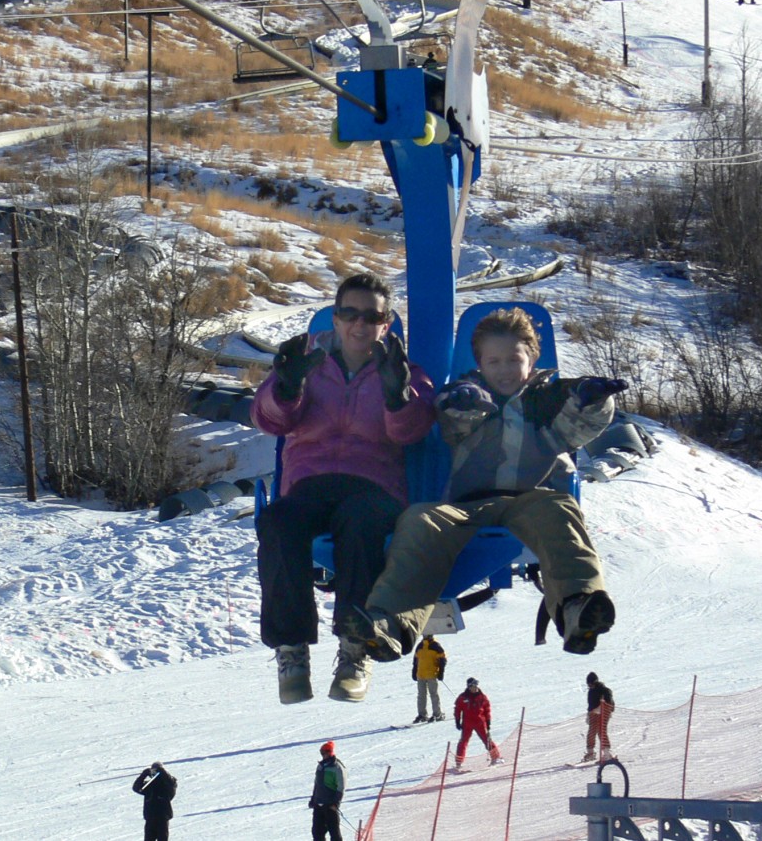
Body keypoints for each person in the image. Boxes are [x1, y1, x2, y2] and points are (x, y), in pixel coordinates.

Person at [344, 306, 626, 659]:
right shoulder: (469, 393)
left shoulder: (548, 400)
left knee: (560, 512)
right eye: (494, 362)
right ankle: (391, 622)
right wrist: (465, 404)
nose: (504, 370)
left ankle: (578, 607)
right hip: (467, 504)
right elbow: (451, 420)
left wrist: (594, 403)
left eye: (513, 360)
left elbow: (573, 431)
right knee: (421, 520)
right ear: (480, 363)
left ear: (532, 358)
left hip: (529, 497)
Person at [251, 273, 436, 705]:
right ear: (335, 319)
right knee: (279, 521)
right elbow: (267, 419)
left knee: (362, 521)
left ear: (385, 324)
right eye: (350, 313)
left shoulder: (404, 371)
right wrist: (286, 388)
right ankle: (291, 649)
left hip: (371, 484)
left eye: (371, 316)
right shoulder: (309, 363)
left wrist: (398, 397)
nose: (359, 325)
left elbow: (414, 431)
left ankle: (356, 650)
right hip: (311, 482)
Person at [453, 677, 500, 770]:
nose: (474, 688)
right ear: (468, 687)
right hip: (467, 723)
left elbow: (487, 709)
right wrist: (457, 720)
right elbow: (457, 709)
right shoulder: (463, 697)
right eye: (472, 686)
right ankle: (458, 762)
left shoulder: (482, 697)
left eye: (475, 686)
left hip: (480, 723)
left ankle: (496, 758)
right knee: (463, 742)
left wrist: (488, 721)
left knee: (487, 740)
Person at [309, 741, 346, 841]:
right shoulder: (320, 766)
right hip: (318, 804)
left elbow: (340, 787)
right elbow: (317, 784)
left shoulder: (337, 767)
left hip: (330, 805)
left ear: (330, 752)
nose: (323, 755)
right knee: (317, 832)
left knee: (334, 833)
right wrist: (313, 799)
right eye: (321, 753)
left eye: (324, 753)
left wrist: (336, 803)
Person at [132, 761, 177, 841]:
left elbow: (172, 784)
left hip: (162, 817)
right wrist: (143, 775)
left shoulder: (167, 784)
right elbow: (136, 788)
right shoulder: (149, 785)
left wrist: (162, 772)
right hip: (150, 817)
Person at [412, 634, 447, 722]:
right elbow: (416, 660)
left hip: (431, 674)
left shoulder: (436, 646)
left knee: (433, 694)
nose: (426, 636)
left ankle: (437, 714)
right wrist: (414, 671)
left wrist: (441, 672)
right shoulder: (420, 645)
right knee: (421, 695)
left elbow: (443, 660)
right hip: (421, 674)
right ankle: (422, 715)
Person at [584, 672, 614, 763]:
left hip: (603, 713)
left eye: (591, 684)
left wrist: (602, 709)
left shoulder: (605, 690)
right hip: (593, 713)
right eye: (588, 684)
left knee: (601, 731)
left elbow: (610, 703)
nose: (590, 686)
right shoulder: (591, 691)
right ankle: (590, 752)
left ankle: (606, 753)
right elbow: (590, 704)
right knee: (591, 732)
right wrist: (589, 714)